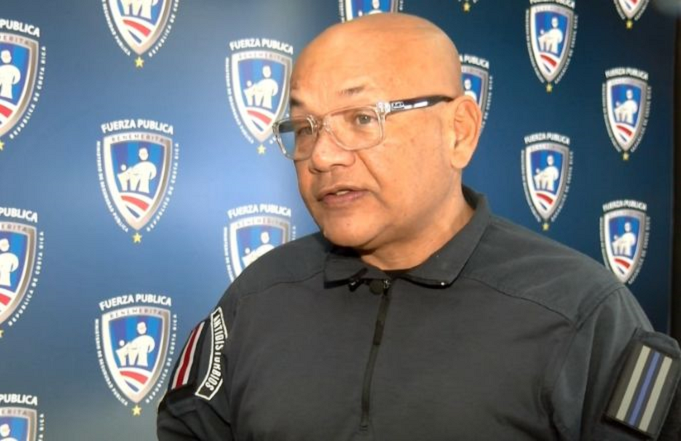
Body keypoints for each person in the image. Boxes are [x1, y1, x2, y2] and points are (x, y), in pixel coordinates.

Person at [158, 13, 680, 440]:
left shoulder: (584, 312)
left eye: (362, 118)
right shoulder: (256, 301)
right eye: (305, 127)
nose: (321, 156)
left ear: (459, 131)